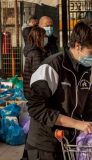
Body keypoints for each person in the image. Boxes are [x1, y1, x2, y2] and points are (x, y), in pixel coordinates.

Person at [25, 20, 92, 160]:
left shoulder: (85, 70)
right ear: (77, 46)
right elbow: (35, 108)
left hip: (68, 144)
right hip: (45, 146)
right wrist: (76, 123)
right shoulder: (52, 67)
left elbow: (88, 105)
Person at [21, 26, 48, 160]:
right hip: (36, 95)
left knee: (34, 128)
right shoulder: (36, 54)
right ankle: (28, 155)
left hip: (30, 93)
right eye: (44, 36)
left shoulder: (31, 52)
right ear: (39, 38)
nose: (45, 39)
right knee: (36, 129)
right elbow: (39, 77)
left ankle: (26, 155)